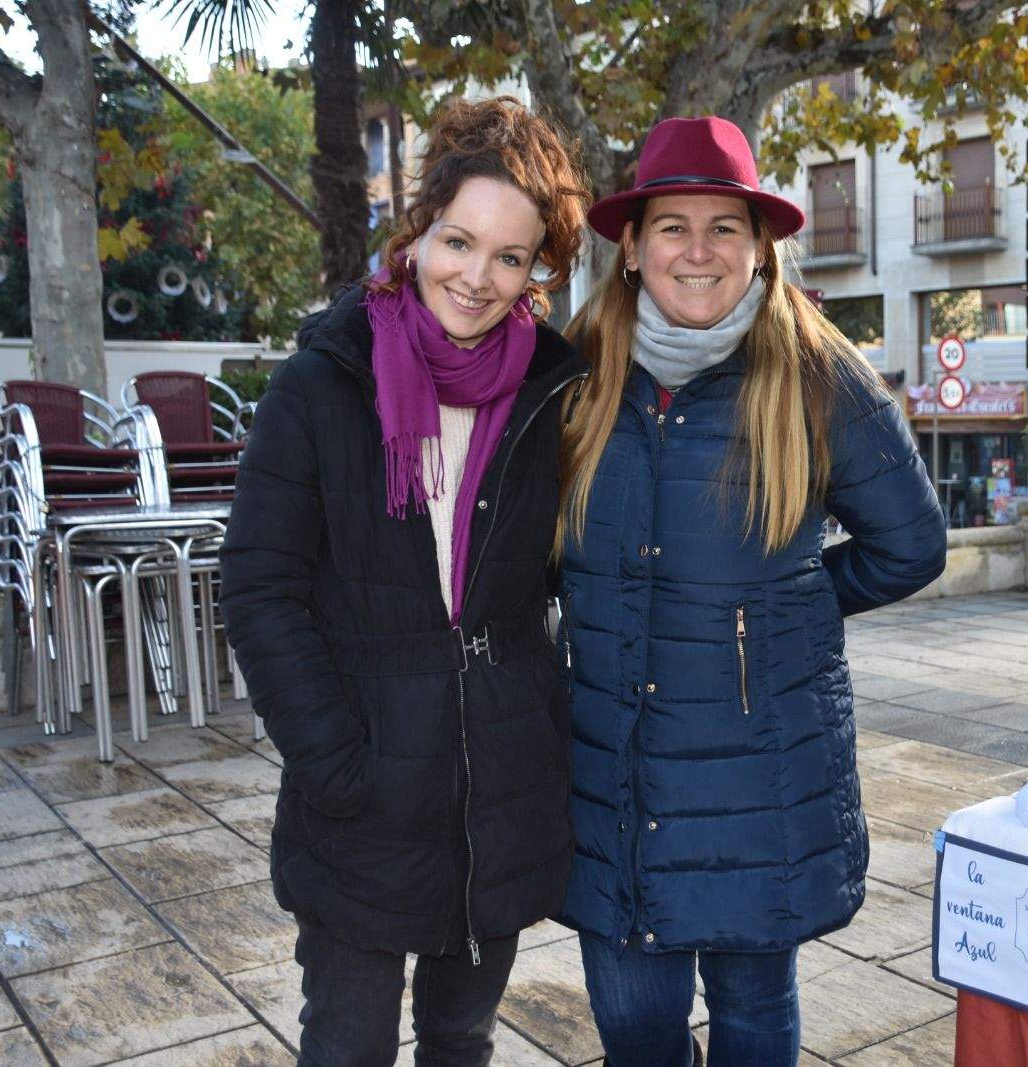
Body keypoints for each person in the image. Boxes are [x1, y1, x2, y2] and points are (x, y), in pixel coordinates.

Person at [554, 116, 947, 1067]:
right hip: (613, 770)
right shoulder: (573, 372)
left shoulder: (817, 374)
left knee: (753, 1015)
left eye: (724, 226)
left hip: (760, 772)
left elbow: (912, 544)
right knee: (636, 1031)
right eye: (673, 226)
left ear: (760, 248)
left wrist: (785, 609)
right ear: (634, 250)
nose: (699, 250)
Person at [220, 96, 589, 1066]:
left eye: (510, 257)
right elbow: (260, 586)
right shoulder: (321, 381)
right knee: (347, 1044)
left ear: (534, 268)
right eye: (459, 241)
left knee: (460, 1037)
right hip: (364, 792)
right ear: (418, 227)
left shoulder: (551, 392)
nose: (478, 276)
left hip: (497, 787)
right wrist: (336, 757)